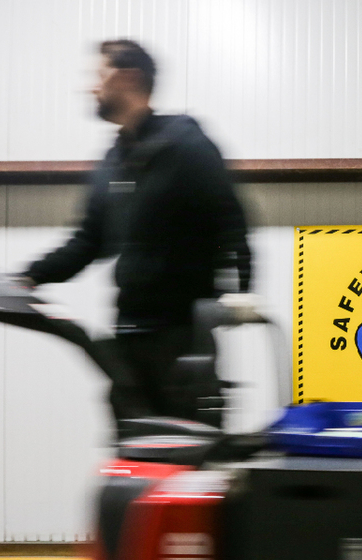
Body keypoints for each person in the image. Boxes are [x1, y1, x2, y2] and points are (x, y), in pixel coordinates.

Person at [23, 39, 251, 426]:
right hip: (127, 343)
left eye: (99, 76)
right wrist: (28, 278)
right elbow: (89, 239)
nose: (91, 87)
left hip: (182, 343)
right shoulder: (113, 160)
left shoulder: (186, 143)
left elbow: (231, 223)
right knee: (133, 462)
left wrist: (242, 293)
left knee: (190, 463)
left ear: (128, 78)